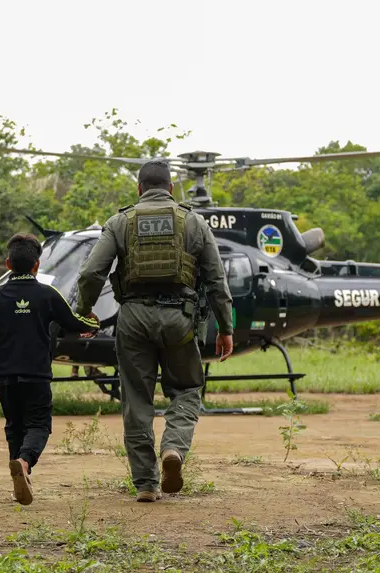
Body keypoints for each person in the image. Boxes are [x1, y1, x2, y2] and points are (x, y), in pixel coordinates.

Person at [76, 160, 234, 503]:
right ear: (172, 189)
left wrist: (84, 309)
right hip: (180, 318)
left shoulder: (120, 222)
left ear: (139, 189)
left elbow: (91, 274)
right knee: (188, 388)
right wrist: (225, 327)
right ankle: (174, 448)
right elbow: (217, 280)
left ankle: (146, 483)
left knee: (136, 399)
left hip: (132, 318)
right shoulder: (194, 221)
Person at [0, 233, 99, 505]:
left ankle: (17, 478)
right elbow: (74, 322)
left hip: (3, 376)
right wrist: (93, 326)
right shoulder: (47, 295)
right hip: (36, 374)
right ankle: (25, 463)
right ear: (37, 265)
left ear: (8, 264)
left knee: (14, 426)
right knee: (39, 424)